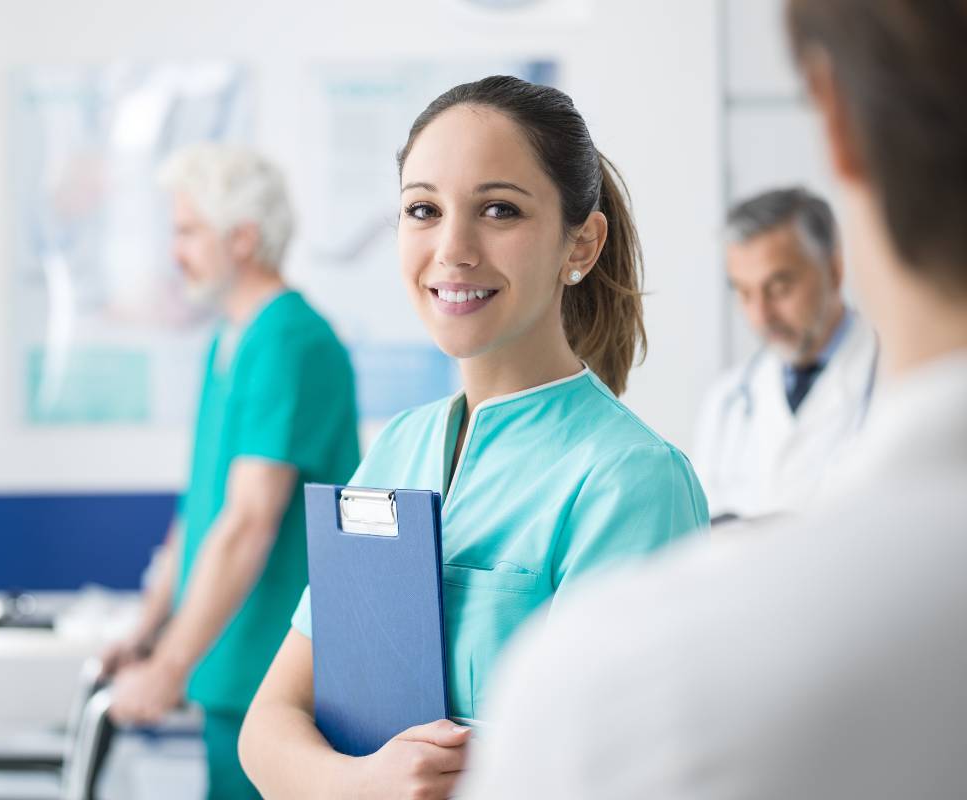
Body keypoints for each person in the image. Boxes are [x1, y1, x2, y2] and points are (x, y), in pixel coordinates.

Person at [463, 2, 967, 797]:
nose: (763, 312)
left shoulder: (620, 684)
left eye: (498, 209)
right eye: (419, 208)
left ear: (834, 120)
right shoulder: (732, 400)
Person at [238, 76, 709, 799]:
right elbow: (268, 725)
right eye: (422, 210)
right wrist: (367, 786)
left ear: (580, 242)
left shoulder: (630, 480)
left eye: (499, 210)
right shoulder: (398, 447)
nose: (453, 248)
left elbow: (612, 775)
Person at [103, 143, 361, 800]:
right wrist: (146, 630)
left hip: (276, 680)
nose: (175, 251)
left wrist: (168, 666)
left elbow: (250, 520)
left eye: (188, 231)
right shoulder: (230, 339)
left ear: (243, 238)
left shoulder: (289, 339)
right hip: (229, 666)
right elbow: (201, 513)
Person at [693, 187, 877, 522]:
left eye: (779, 289)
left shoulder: (894, 382)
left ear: (834, 271)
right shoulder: (726, 401)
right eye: (745, 293)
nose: (761, 316)